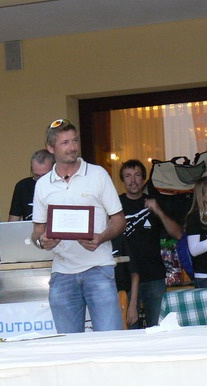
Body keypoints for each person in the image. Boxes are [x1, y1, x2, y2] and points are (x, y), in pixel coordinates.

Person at [31, 118, 126, 333]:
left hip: (99, 268)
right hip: (62, 272)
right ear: (51, 148)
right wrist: (43, 241)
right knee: (68, 345)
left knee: (111, 341)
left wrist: (101, 237)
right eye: (65, 142)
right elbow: (37, 232)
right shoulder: (43, 184)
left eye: (74, 140)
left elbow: (119, 220)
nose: (72, 147)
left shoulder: (98, 174)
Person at [118, 159, 182, 327]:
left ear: (144, 178)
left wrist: (158, 211)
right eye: (128, 176)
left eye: (137, 175)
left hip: (154, 276)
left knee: (158, 328)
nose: (133, 180)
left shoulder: (154, 202)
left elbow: (177, 234)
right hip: (126, 277)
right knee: (130, 329)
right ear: (122, 180)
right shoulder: (116, 205)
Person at [8, 149, 55, 221]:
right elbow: (13, 221)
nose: (40, 181)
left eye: (45, 176)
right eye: (36, 176)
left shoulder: (62, 186)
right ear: (31, 170)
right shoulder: (22, 186)